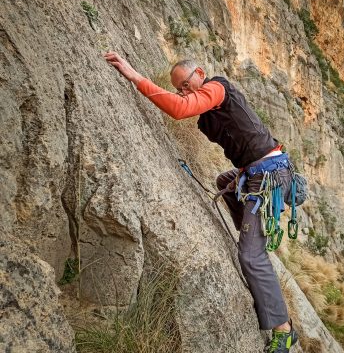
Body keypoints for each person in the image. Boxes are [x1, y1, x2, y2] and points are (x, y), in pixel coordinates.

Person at [104, 51, 298, 353]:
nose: (183, 91)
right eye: (179, 88)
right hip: (257, 170)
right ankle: (252, 235)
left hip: (271, 175)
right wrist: (241, 175)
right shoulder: (208, 109)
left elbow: (180, 109)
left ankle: (284, 331)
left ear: (200, 73)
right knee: (224, 181)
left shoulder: (217, 87)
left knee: (249, 257)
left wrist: (133, 75)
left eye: (185, 84)